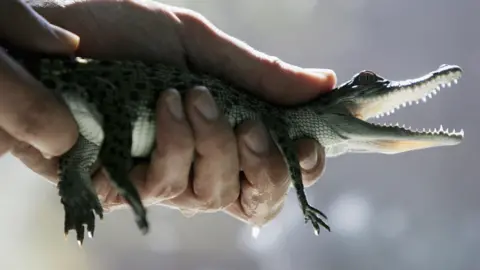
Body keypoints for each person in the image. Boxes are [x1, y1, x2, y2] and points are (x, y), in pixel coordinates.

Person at [0, 0, 336, 226]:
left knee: (70, 134)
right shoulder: (279, 123)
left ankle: (76, 182)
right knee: (55, 122)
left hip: (92, 109)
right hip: (91, 89)